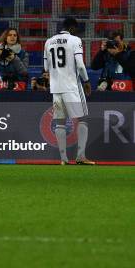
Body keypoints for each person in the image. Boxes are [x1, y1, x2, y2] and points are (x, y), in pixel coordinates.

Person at [44, 17, 94, 165]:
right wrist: (86, 81)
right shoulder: (75, 40)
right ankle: (81, 156)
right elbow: (80, 64)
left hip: (56, 88)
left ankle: (63, 159)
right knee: (83, 119)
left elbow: (46, 68)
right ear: (72, 28)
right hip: (72, 86)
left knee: (60, 123)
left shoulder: (49, 41)